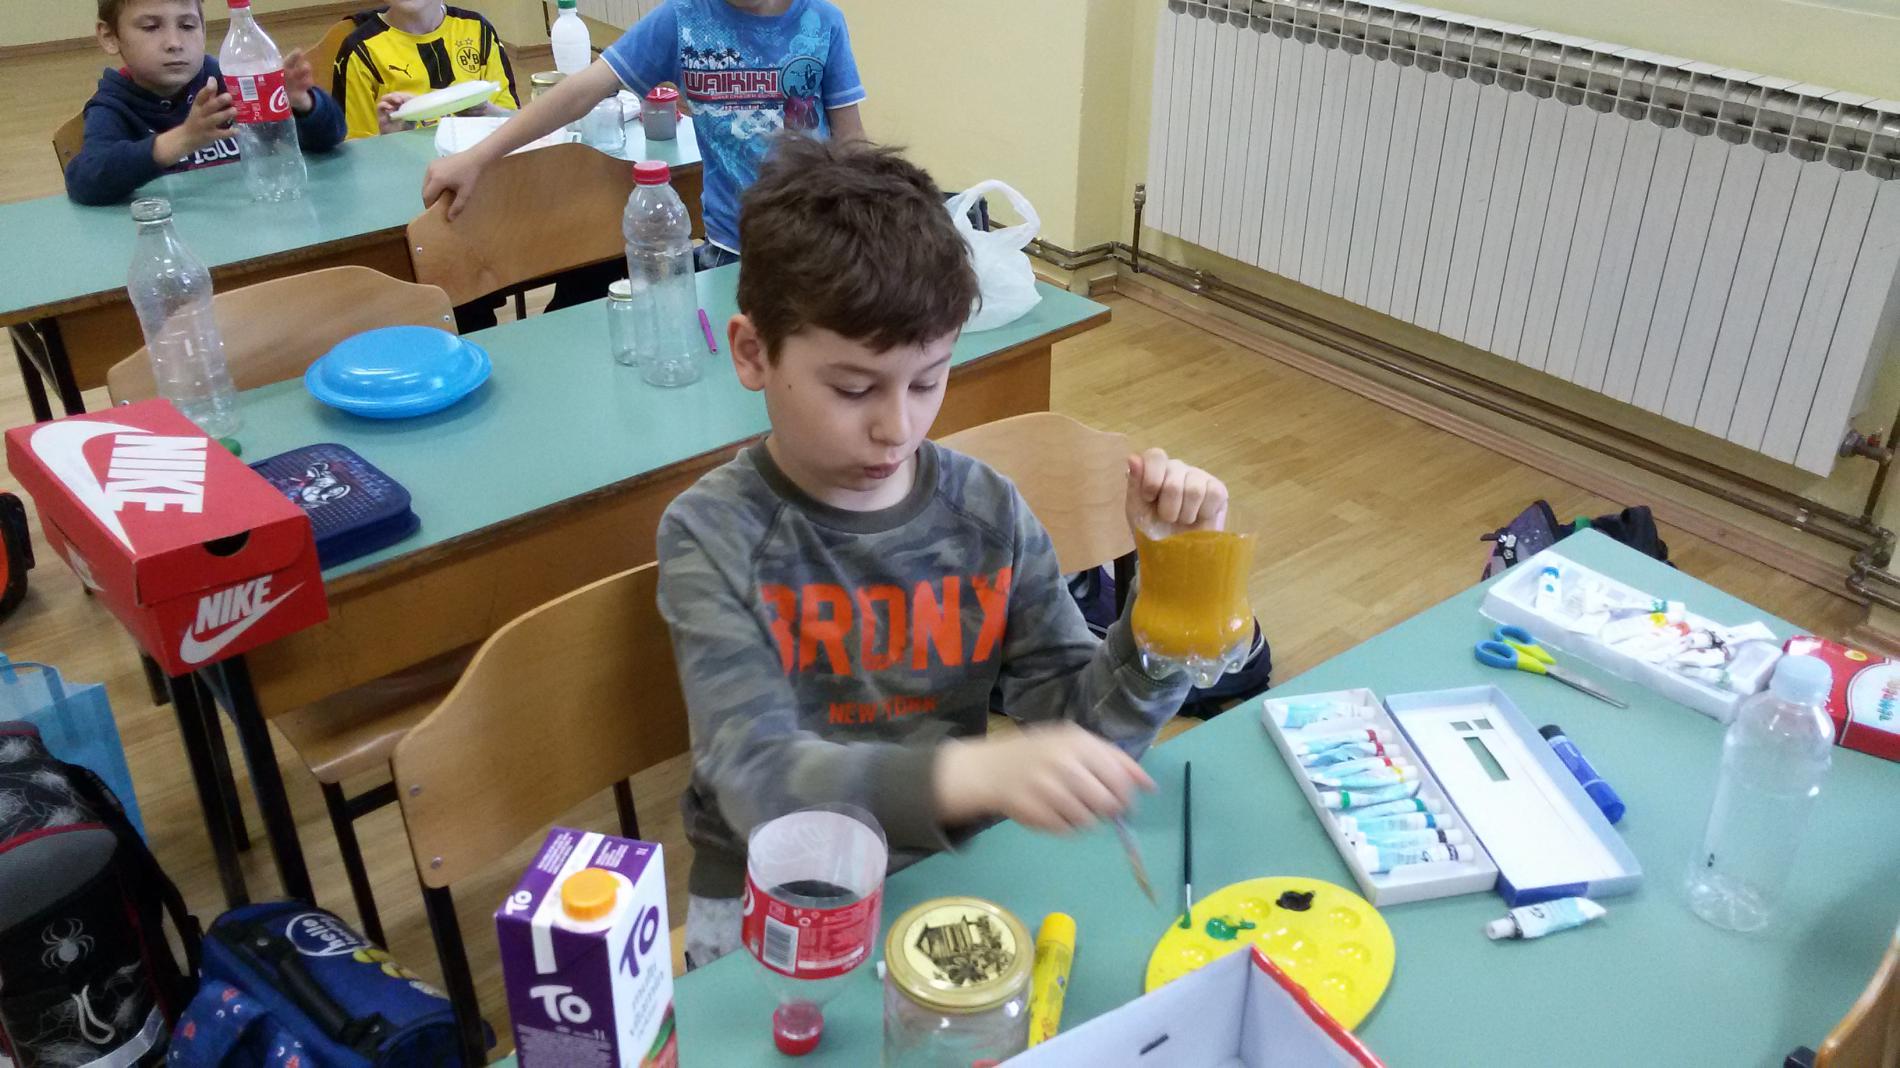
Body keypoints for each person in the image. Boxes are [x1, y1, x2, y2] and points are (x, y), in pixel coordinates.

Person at [657, 138, 1229, 967]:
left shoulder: (986, 512)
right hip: (773, 894)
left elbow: (1082, 730)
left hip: (947, 866)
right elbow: (755, 779)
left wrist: (1170, 598)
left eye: (928, 380)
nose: (898, 427)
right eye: (854, 388)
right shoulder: (712, 531)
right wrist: (973, 776)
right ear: (752, 353)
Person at [420, 0, 866, 270]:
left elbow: (851, 146)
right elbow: (582, 90)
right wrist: (477, 157)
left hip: (818, 248)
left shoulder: (822, 21)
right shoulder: (683, 18)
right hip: (730, 251)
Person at [65, 0, 345, 206]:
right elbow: (85, 179)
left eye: (187, 25)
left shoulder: (228, 81)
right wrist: (181, 140)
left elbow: (332, 136)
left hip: (253, 219)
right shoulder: (113, 106)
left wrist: (301, 104)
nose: (174, 42)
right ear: (110, 36)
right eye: (151, 27)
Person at [329, 1, 522, 140]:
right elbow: (355, 155)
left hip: (477, 166)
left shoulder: (478, 30)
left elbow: (514, 122)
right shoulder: (360, 51)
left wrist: (484, 109)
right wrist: (389, 138)